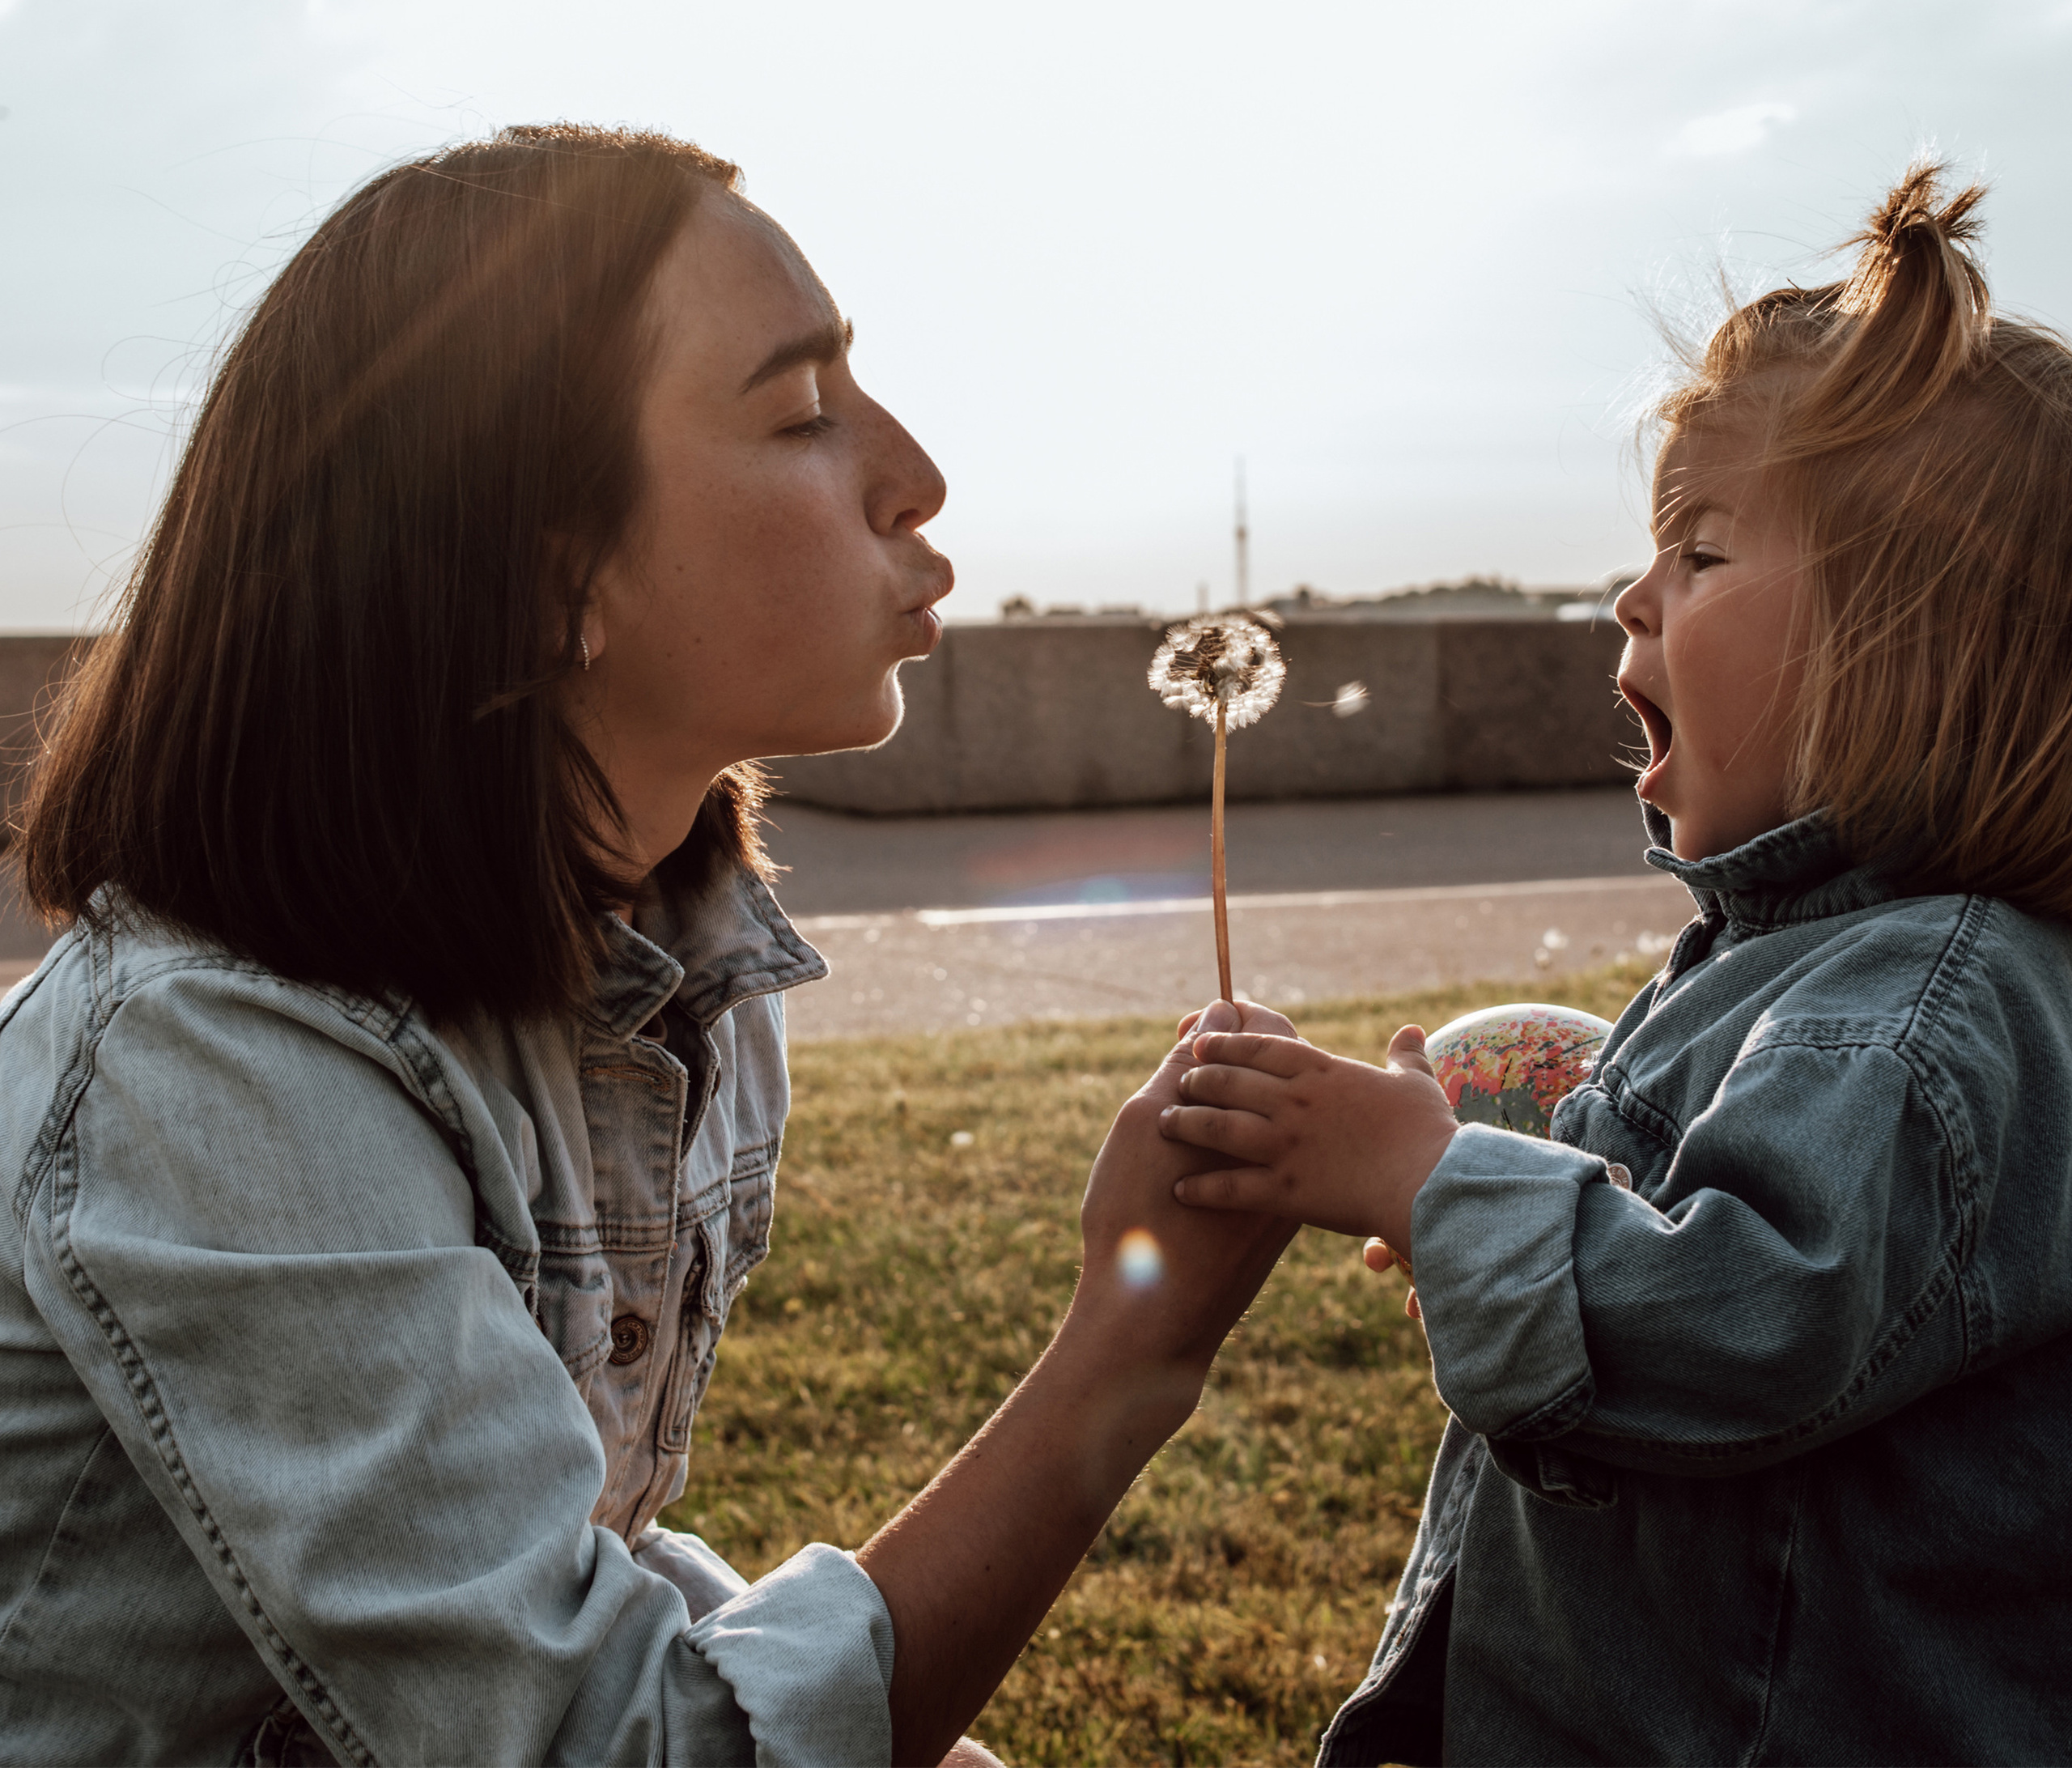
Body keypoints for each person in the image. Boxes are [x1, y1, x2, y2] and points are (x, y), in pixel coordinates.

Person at [0, 125, 1295, 1767]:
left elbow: (572, 1551)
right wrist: (1136, 1340)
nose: (914, 473)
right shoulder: (217, 1066)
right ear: (552, 588)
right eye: (801, 412)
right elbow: (602, 1746)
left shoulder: (677, 976)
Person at [1158, 164, 2072, 1765]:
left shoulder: (1917, 1009)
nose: (1627, 595)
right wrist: (1503, 1172)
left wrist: (1428, 1183)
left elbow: (1747, 1316)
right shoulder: (1812, 965)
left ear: (1910, 644)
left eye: (1701, 552)